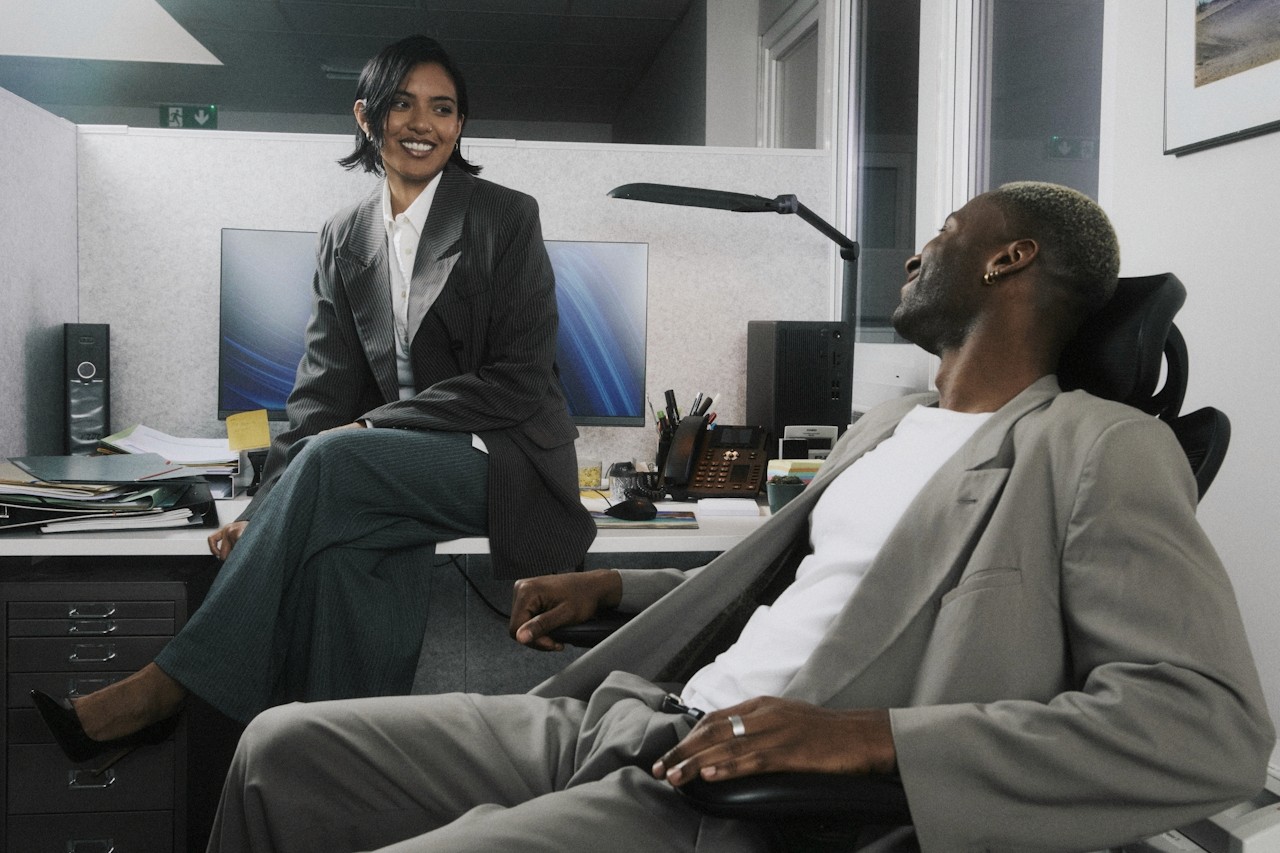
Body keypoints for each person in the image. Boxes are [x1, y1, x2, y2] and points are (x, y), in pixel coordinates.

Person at [205, 182, 1274, 852]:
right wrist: (618, 585)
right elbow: (795, 599)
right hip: (634, 715)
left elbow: (1206, 726)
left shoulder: (1094, 445)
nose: (912, 253)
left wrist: (865, 741)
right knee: (276, 748)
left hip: (736, 796)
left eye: (945, 230)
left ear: (1008, 259)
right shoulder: (888, 425)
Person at [31, 35, 595, 762]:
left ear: (459, 127)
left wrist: (372, 423)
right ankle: (325, 769)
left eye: (444, 108)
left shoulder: (505, 217)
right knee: (338, 557)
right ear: (367, 116)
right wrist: (266, 512)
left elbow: (520, 376)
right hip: (384, 467)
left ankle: (165, 688)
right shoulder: (344, 235)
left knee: (340, 458)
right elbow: (321, 392)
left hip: (503, 459)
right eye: (403, 103)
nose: (424, 122)